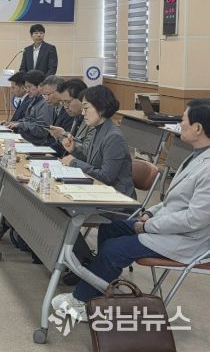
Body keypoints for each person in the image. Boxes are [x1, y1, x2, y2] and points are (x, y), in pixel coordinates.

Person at [53, 99, 210, 320]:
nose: (179, 124)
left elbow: (194, 220)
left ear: (198, 128)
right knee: (110, 228)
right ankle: (101, 282)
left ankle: (81, 301)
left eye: (183, 119)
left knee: (114, 249)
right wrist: (150, 213)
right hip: (168, 225)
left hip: (187, 240)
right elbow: (173, 201)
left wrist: (148, 225)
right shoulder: (196, 155)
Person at [60, 85, 135, 198]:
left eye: (86, 108)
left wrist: (74, 162)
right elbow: (92, 161)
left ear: (101, 109)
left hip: (116, 197)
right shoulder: (98, 129)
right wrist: (74, 150)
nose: (83, 113)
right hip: (99, 190)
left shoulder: (114, 137)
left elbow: (106, 177)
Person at [7, 70, 53, 145]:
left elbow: (42, 130)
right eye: (26, 87)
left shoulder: (45, 103)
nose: (27, 91)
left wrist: (21, 125)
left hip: (36, 144)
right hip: (28, 139)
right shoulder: (34, 100)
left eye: (29, 87)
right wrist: (17, 123)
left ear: (40, 86)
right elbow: (27, 119)